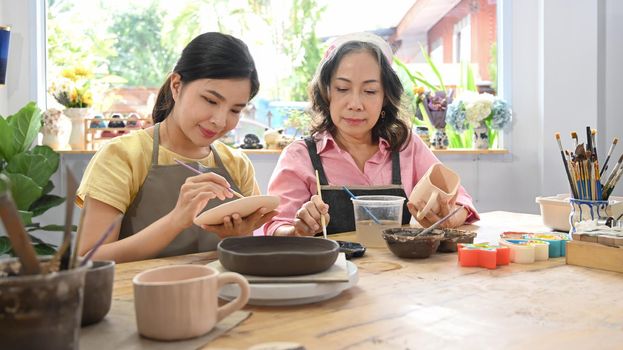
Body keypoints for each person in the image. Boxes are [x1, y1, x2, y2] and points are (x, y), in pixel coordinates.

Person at [76, 32, 277, 262]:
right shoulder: (121, 156)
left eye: (235, 110)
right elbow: (88, 258)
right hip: (138, 296)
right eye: (211, 101)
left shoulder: (237, 164)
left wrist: (236, 237)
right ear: (177, 86)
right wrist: (175, 221)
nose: (220, 121)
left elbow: (245, 257)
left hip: (222, 294)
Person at [264, 32, 479, 237]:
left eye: (369, 91)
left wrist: (447, 218)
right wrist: (298, 230)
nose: (355, 104)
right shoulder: (300, 156)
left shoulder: (406, 147)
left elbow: (461, 202)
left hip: (401, 274)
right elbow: (274, 227)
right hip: (336, 274)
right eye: (342, 88)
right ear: (327, 91)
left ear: (385, 96)